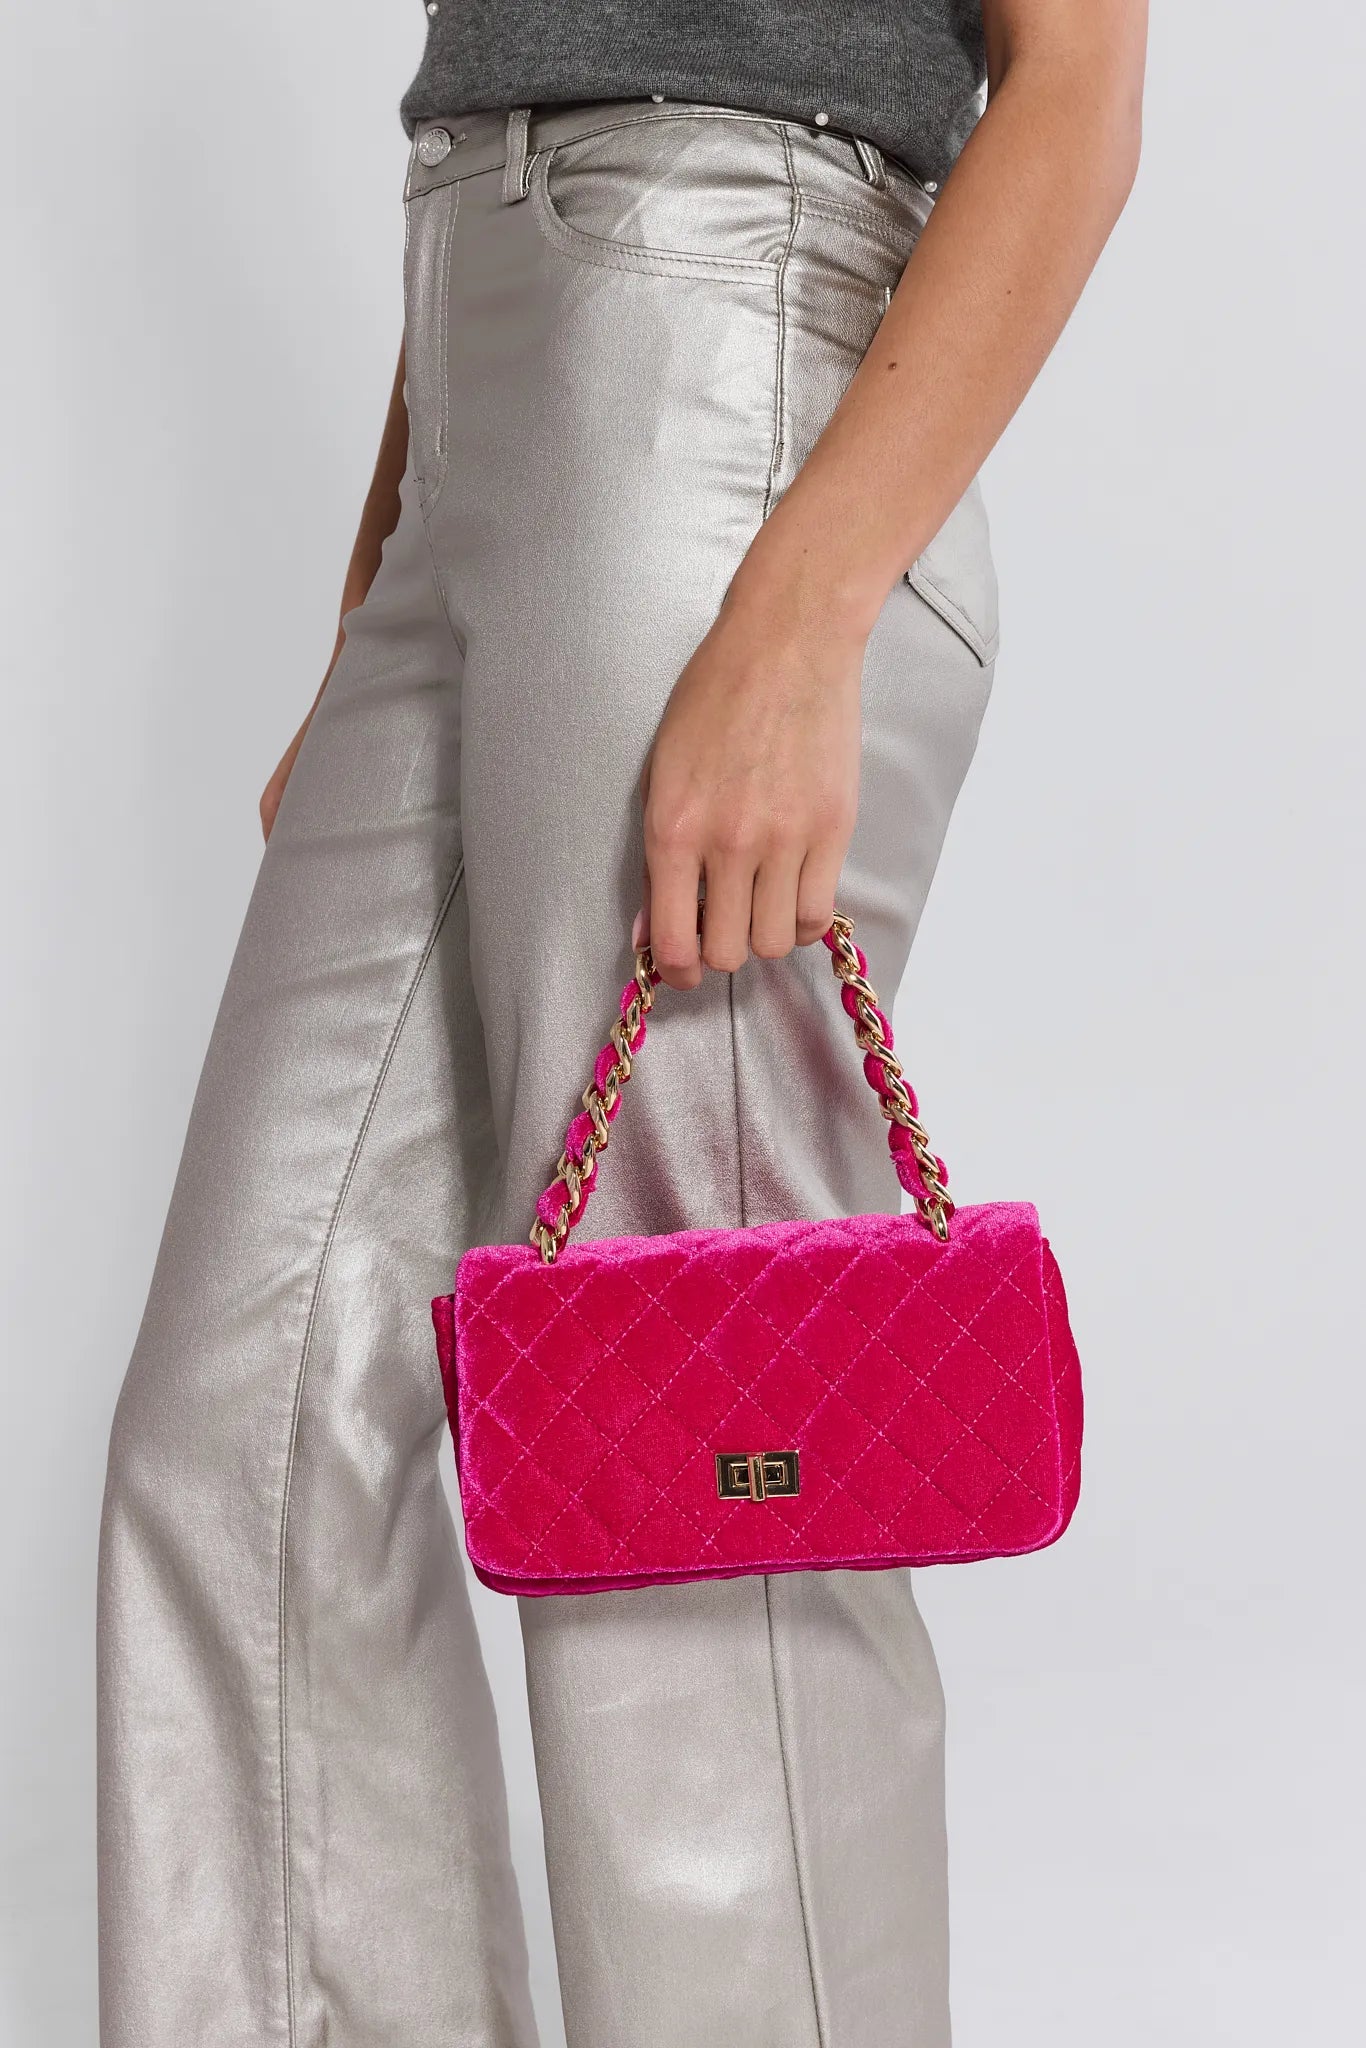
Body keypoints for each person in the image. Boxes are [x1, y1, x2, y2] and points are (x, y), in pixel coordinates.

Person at [96, 3, 1146, 2043]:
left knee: (696, 1464)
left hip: (716, 401)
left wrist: (805, 611)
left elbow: (1081, 84)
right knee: (242, 1429)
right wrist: (372, 614)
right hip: (481, 412)